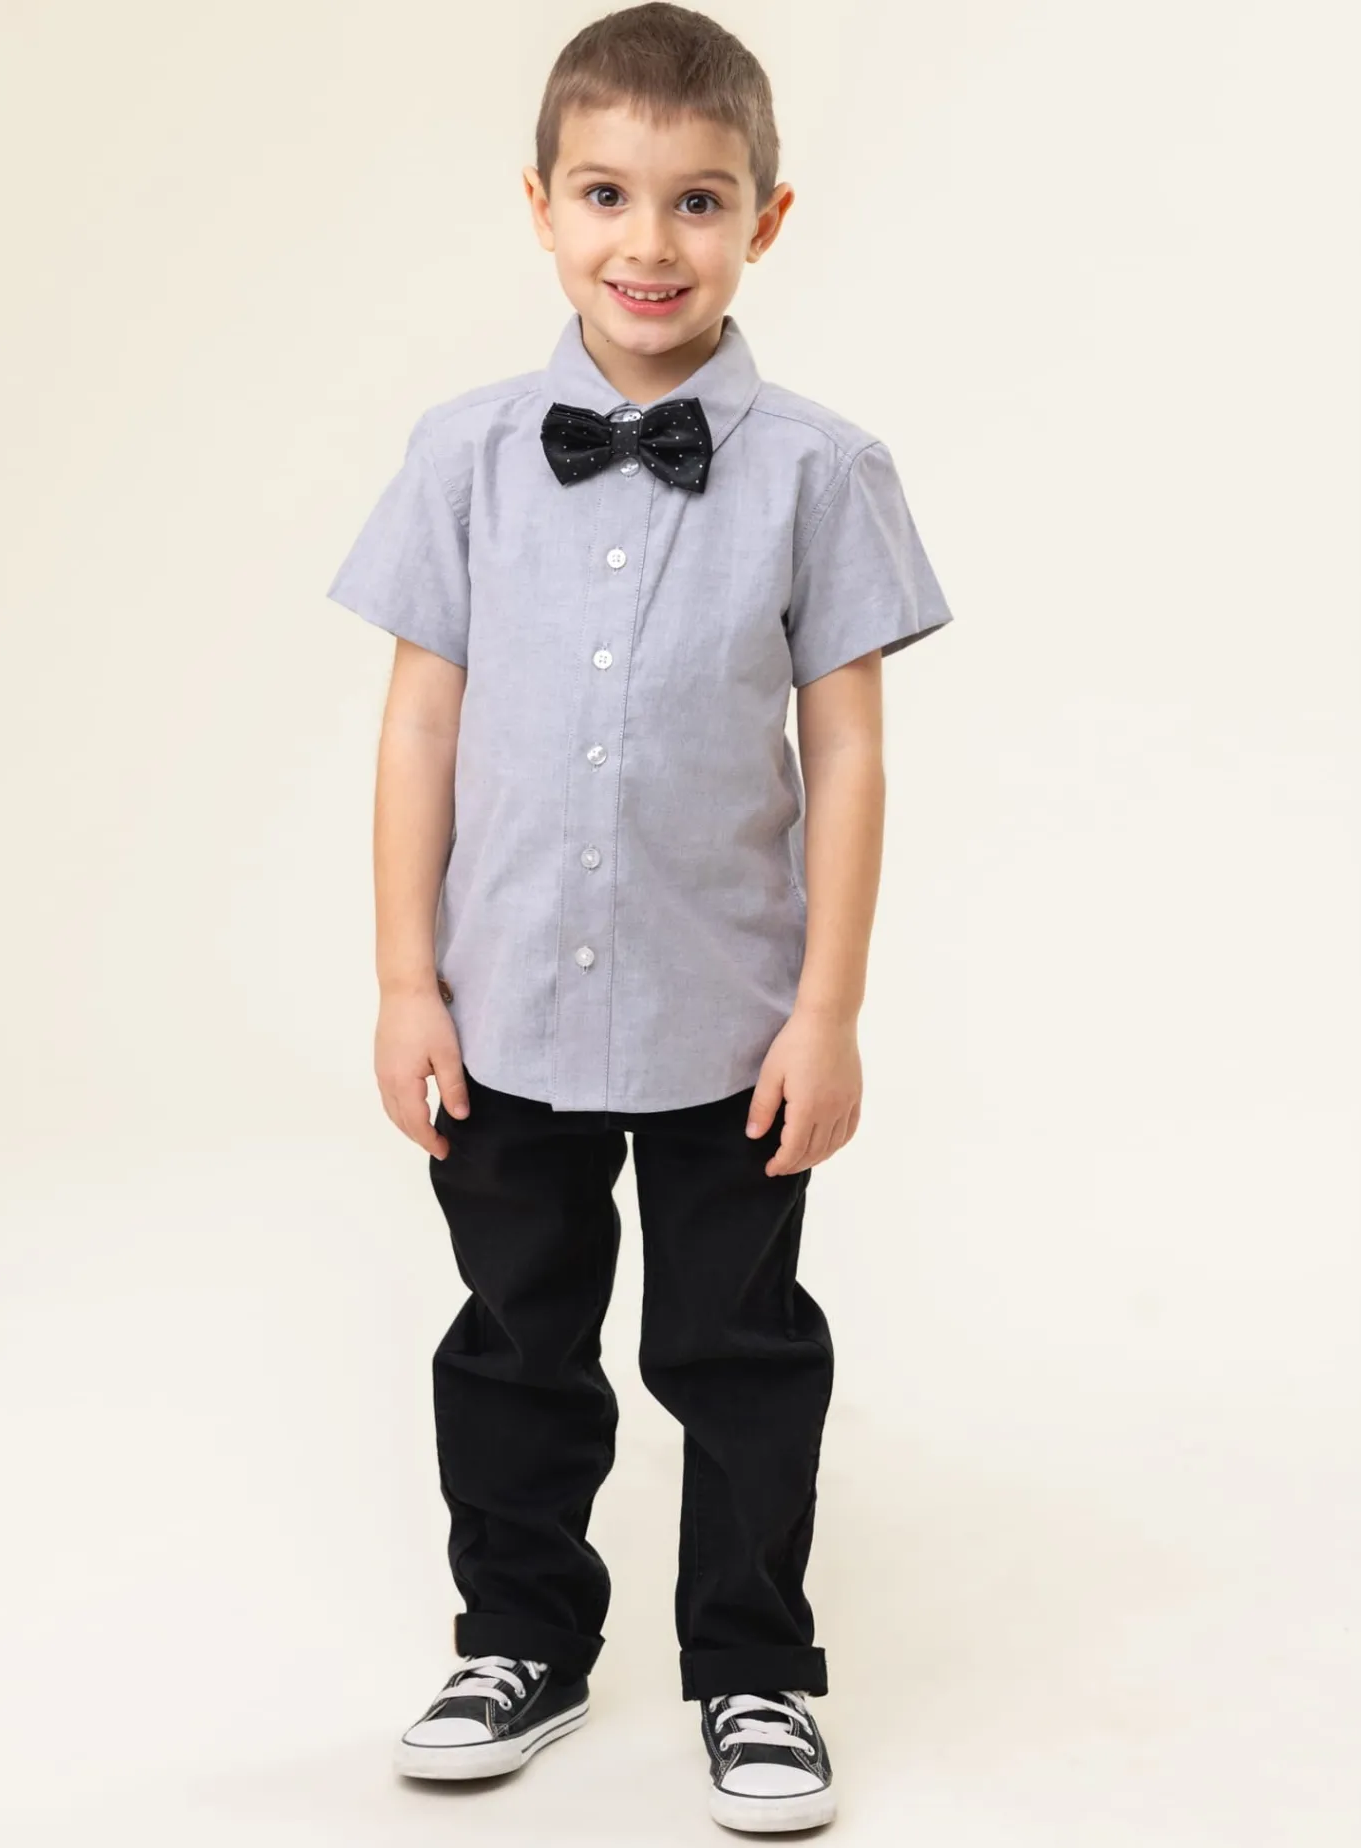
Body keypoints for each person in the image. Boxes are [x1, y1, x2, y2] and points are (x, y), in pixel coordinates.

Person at [326, 3, 953, 1831]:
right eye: (606, 194)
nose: (649, 242)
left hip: (727, 1019)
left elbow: (848, 754)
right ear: (539, 205)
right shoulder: (461, 452)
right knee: (517, 1340)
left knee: (732, 1352)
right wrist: (403, 980)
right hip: (502, 1004)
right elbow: (418, 725)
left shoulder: (821, 470)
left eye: (698, 200)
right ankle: (522, 1637)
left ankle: (754, 1666)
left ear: (767, 219)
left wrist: (827, 1009)